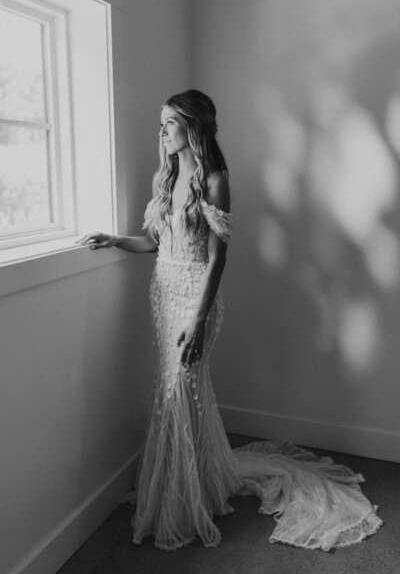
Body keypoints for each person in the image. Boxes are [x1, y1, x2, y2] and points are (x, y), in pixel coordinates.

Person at [78, 89, 382, 551]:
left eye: (169, 124)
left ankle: (184, 501)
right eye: (160, 124)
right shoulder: (167, 176)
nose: (161, 132)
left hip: (196, 299)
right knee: (174, 394)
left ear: (192, 127)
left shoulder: (215, 179)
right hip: (163, 294)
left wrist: (198, 319)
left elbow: (218, 259)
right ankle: (186, 487)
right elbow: (156, 243)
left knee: (181, 390)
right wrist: (115, 239)